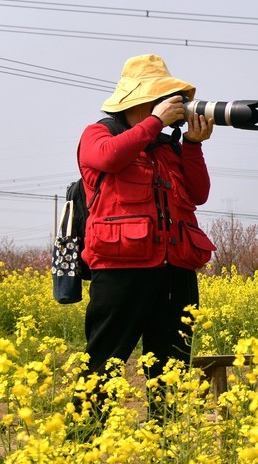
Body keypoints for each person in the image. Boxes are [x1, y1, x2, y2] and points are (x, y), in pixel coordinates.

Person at [78, 54, 216, 423]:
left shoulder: (170, 148)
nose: (170, 107)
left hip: (175, 269)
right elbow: (106, 159)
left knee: (172, 362)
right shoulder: (99, 133)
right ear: (137, 102)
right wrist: (155, 123)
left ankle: (165, 438)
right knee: (104, 357)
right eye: (160, 99)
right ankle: (83, 438)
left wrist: (192, 144)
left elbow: (199, 193)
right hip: (121, 267)